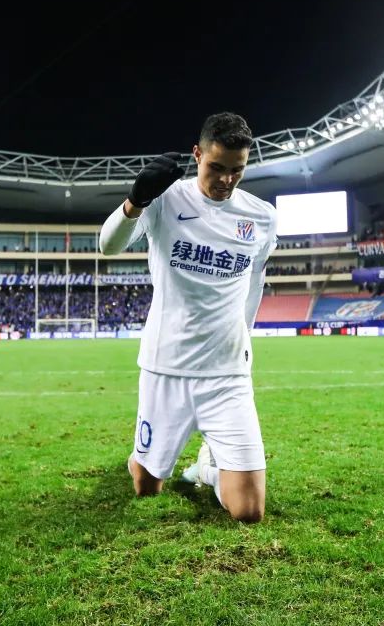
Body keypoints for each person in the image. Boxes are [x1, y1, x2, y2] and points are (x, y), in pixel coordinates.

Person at [99, 112, 277, 523]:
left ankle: (207, 468)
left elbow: (254, 282)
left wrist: (244, 338)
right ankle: (144, 459)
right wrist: (135, 200)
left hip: (227, 373)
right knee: (146, 487)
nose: (226, 180)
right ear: (197, 155)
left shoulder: (262, 216)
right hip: (166, 366)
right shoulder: (165, 199)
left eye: (237, 170)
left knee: (249, 511)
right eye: (216, 167)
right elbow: (108, 246)